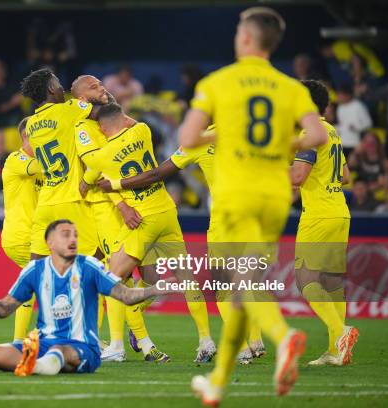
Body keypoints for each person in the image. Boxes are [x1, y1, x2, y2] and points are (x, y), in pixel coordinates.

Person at [178, 7, 329, 404]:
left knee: (237, 284)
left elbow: (189, 136)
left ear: (245, 38)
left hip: (235, 196)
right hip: (275, 198)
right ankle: (217, 383)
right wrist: (284, 143)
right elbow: (317, 135)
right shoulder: (290, 88)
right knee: (243, 288)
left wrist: (224, 137)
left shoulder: (218, 82)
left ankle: (283, 338)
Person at [0, 220, 172, 375]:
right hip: (40, 344)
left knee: (58, 352)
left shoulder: (89, 267)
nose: (73, 239)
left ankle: (32, 364)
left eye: (75, 234)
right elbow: (5, 308)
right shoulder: (35, 271)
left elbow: (125, 295)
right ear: (50, 243)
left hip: (82, 348)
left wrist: (154, 290)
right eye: (66, 235)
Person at [96, 126, 266, 365]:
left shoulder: (200, 140)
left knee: (115, 277)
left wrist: (117, 185)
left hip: (218, 221)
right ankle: (233, 339)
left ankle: (240, 348)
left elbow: (158, 173)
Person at [81, 103, 216, 363]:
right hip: (167, 211)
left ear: (101, 128)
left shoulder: (100, 156)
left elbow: (87, 183)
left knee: (111, 278)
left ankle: (113, 343)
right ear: (124, 118)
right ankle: (206, 341)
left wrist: (86, 183)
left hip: (142, 219)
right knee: (188, 278)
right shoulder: (142, 130)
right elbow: (129, 121)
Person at [71, 75, 170, 363]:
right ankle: (127, 344)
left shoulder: (114, 117)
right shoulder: (84, 128)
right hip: (108, 206)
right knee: (119, 274)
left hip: (139, 204)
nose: (102, 89)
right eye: (94, 87)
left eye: (101, 84)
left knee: (151, 277)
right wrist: (121, 205)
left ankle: (130, 330)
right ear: (81, 100)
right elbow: (98, 170)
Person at [289, 79, 358, 366]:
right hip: (339, 212)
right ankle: (336, 350)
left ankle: (341, 331)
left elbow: (297, 178)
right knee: (331, 283)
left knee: (306, 281)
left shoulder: (310, 133)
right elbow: (345, 177)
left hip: (318, 215)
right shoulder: (332, 132)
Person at [19, 68, 100, 259]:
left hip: (46, 202)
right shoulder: (69, 110)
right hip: (71, 198)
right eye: (58, 83)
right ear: (51, 88)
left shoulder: (31, 124)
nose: (63, 88)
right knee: (98, 256)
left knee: (36, 266)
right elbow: (102, 111)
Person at [0, 117, 43, 342]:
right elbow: (45, 166)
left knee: (34, 285)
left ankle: (18, 342)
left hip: (35, 235)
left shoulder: (36, 164)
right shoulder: (15, 160)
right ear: (27, 136)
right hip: (22, 236)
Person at [335, 84, 372, 157]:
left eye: (340, 95)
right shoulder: (340, 108)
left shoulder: (358, 106)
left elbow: (368, 123)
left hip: (355, 144)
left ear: (347, 95)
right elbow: (342, 124)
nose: (338, 97)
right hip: (342, 144)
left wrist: (356, 127)